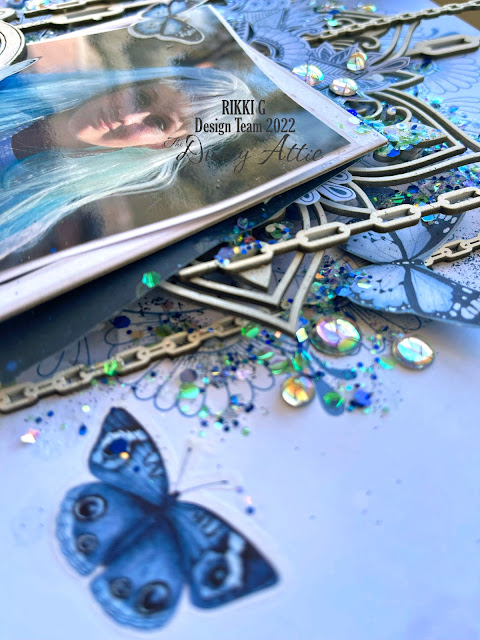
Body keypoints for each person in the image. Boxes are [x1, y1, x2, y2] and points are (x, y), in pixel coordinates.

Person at [0, 62, 254, 259]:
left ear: (160, 145)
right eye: (143, 98)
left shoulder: (37, 208)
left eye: (158, 123)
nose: (128, 117)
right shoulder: (10, 79)